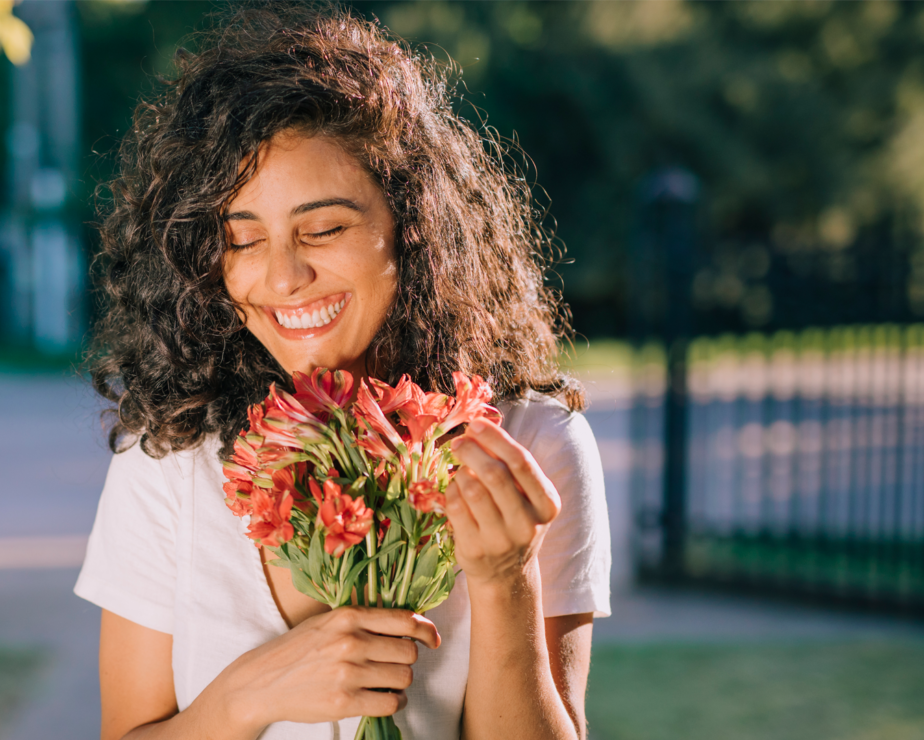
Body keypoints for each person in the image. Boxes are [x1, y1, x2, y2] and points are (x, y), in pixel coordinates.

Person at [75, 5, 610, 740]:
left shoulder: (532, 443)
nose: (284, 277)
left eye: (323, 229)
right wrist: (246, 696)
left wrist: (505, 579)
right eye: (241, 239)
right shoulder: (169, 455)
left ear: (412, 226)